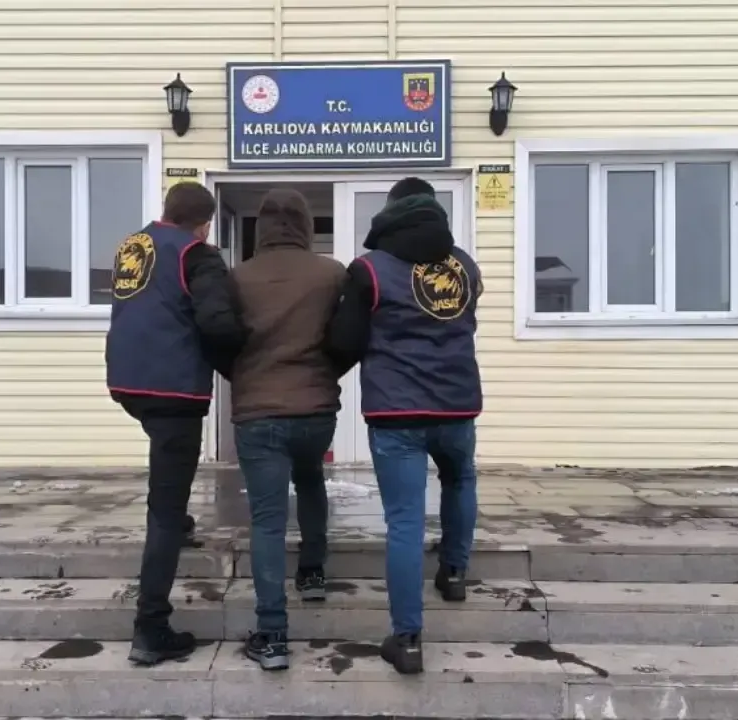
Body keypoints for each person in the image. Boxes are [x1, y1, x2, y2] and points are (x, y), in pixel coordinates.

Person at [326, 177, 483, 675]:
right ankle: (454, 573)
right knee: (461, 480)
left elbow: (345, 342)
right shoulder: (464, 266)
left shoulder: (370, 270)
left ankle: (408, 638)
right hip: (456, 405)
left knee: (405, 521)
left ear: (392, 213)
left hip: (396, 413)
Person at [105, 181, 247, 666]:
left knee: (168, 475)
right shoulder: (198, 255)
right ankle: (151, 628)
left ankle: (178, 518)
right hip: (173, 390)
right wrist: (244, 369)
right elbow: (218, 324)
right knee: (164, 510)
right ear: (205, 224)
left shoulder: (133, 245)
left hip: (128, 382)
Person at [227, 188, 347, 671]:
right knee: (312, 479)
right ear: (306, 225)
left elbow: (220, 336)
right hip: (316, 409)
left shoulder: (237, 277)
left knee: (268, 520)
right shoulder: (332, 274)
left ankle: (273, 635)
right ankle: (313, 573)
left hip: (258, 411)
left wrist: (241, 377)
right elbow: (347, 336)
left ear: (260, 227)